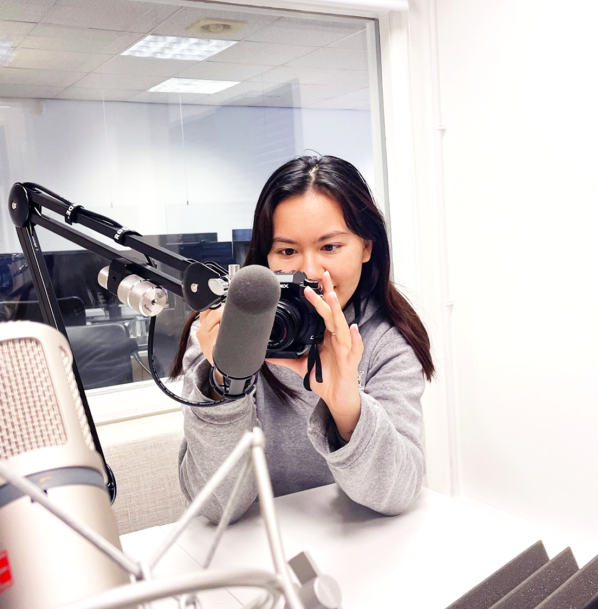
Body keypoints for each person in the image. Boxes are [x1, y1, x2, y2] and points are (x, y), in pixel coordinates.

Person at [171, 155, 434, 523]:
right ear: (265, 257)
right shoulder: (223, 332)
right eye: (287, 251)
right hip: (248, 555)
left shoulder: (386, 340)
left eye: (330, 247)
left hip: (356, 552)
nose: (309, 271)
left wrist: (347, 407)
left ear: (367, 247)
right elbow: (217, 507)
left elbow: (397, 492)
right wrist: (227, 381)